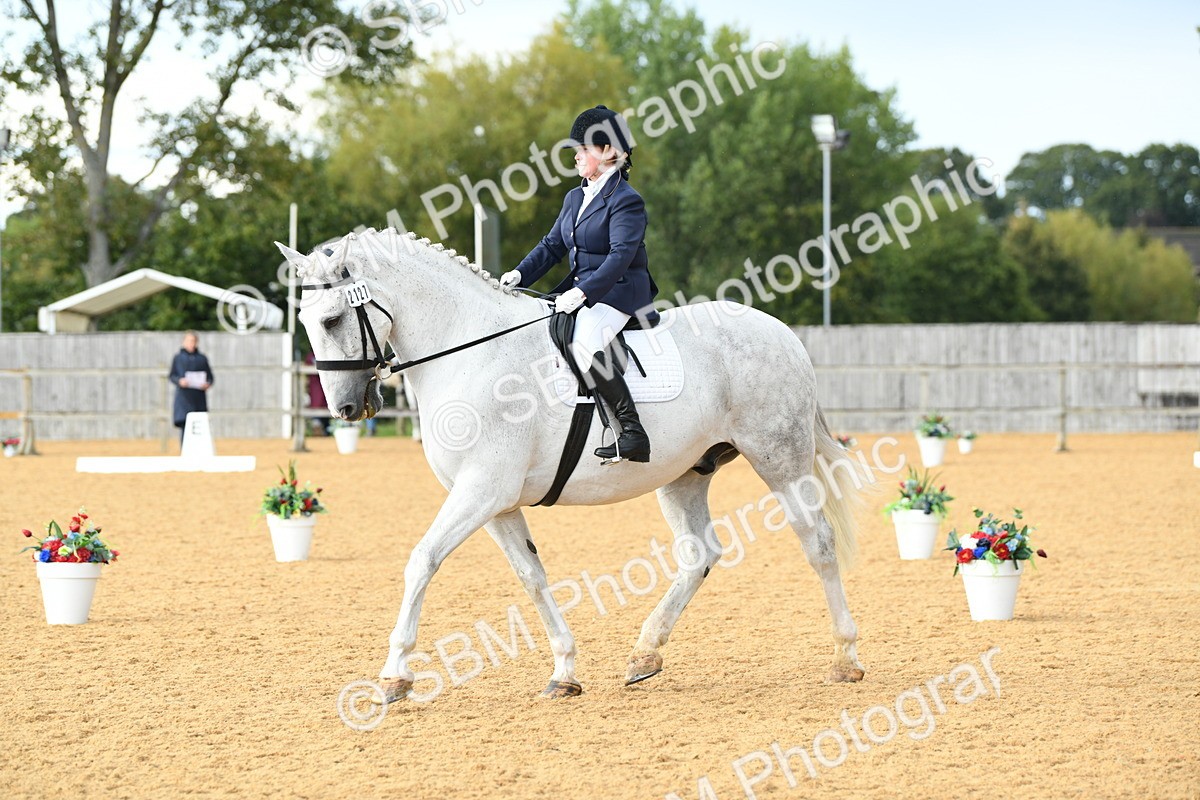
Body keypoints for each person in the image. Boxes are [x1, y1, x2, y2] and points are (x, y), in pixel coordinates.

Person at [501, 105, 658, 464]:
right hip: (579, 289)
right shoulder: (575, 196)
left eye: (585, 148)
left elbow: (619, 257)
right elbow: (551, 245)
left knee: (585, 340)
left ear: (610, 152)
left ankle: (633, 432)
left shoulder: (626, 201)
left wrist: (584, 292)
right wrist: (520, 275)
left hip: (620, 291)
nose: (576, 156)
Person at [168, 330, 213, 446]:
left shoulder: (202, 358)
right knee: (185, 425)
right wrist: (179, 381)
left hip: (198, 399)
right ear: (183, 342)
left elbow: (210, 377)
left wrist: (207, 383)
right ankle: (184, 452)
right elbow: (172, 376)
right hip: (184, 399)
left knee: (199, 427)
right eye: (188, 341)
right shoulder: (178, 358)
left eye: (193, 341)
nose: (191, 343)